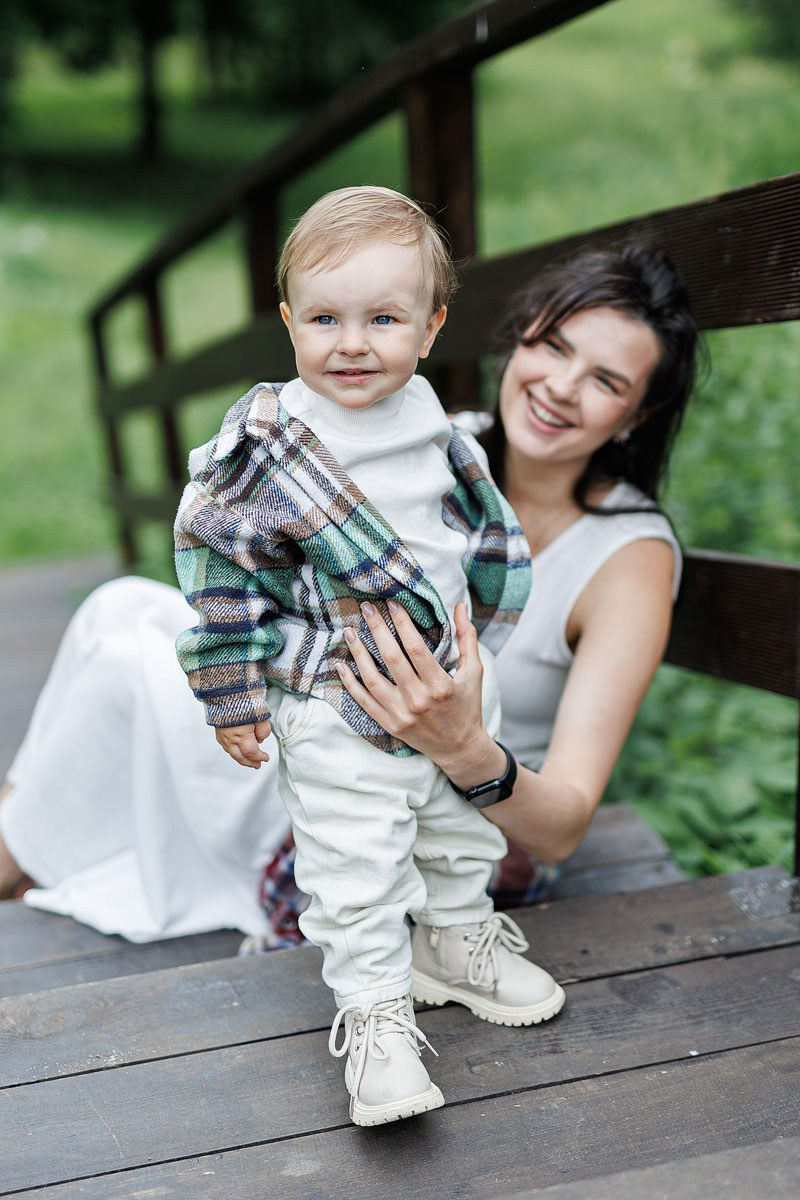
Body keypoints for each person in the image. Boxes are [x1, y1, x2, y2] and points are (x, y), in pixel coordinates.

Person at [0, 237, 698, 1099]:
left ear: (635, 415)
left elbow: (560, 831)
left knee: (119, 662)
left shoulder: (626, 559)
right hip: (328, 736)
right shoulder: (430, 438)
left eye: (605, 380)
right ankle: (22, 847)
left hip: (453, 812)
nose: (560, 386)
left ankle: (15, 856)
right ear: (517, 340)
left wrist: (460, 744)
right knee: (118, 609)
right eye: (553, 346)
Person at [172, 185, 564, 1127]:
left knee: (458, 827)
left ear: (431, 328)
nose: (352, 344)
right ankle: (377, 1016)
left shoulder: (427, 414)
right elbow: (219, 573)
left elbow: (462, 519)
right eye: (325, 319)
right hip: (336, 695)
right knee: (355, 865)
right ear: (288, 322)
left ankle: (457, 941)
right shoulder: (267, 450)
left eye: (383, 319)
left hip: (451, 678)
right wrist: (232, 693)